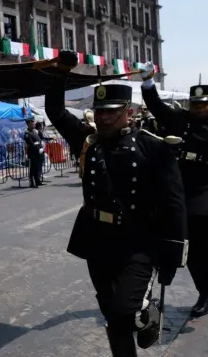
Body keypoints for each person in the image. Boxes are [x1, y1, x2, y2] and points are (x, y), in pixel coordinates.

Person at [45, 76, 188, 356]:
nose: (104, 117)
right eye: (100, 111)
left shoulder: (153, 146)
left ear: (129, 112)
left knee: (124, 309)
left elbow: (174, 203)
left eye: (112, 111)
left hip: (138, 242)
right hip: (98, 240)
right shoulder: (88, 142)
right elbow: (56, 112)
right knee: (112, 314)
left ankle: (148, 309)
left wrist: (173, 255)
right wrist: (58, 73)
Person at [140, 64, 208, 318]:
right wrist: (148, 82)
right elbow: (157, 107)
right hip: (181, 185)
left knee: (201, 222)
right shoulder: (180, 120)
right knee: (181, 241)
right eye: (194, 103)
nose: (197, 107)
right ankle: (206, 293)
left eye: (203, 103)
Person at [23, 117, 43, 188]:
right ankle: (31, 183)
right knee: (32, 168)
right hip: (33, 153)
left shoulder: (34, 132)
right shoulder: (27, 133)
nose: (34, 124)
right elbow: (31, 143)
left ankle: (37, 181)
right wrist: (38, 149)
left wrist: (41, 146)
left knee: (37, 168)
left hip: (38, 152)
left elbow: (38, 140)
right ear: (28, 124)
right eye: (32, 123)